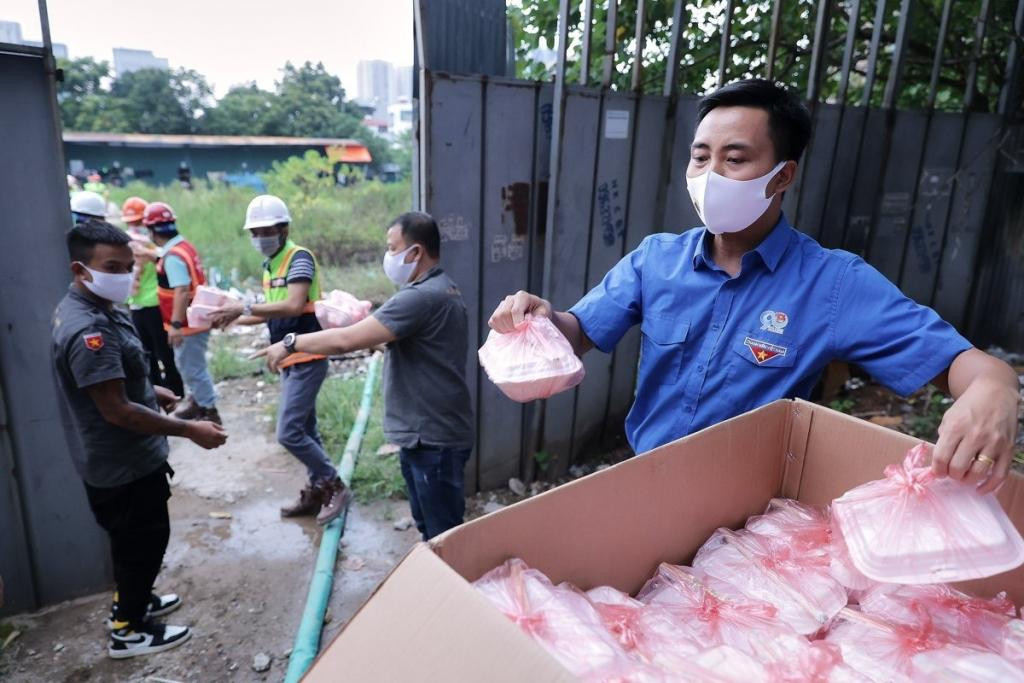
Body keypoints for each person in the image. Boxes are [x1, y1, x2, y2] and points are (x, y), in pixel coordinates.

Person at [489, 78, 1020, 494]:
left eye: (735, 159)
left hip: (749, 516)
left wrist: (995, 388)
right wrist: (538, 321)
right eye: (701, 157)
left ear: (783, 176)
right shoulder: (656, 260)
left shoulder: (832, 283)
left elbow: (960, 363)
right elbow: (577, 331)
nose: (710, 174)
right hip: (645, 482)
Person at [52, 220, 227, 659]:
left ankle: (136, 600)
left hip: (131, 459)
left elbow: (121, 385)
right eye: (113, 266)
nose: (126, 275)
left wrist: (153, 391)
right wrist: (191, 430)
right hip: (121, 465)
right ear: (81, 269)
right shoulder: (87, 330)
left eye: (129, 266)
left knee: (140, 543)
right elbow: (115, 409)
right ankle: (128, 630)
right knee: (141, 544)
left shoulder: (104, 309)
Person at [254, 212, 474, 540]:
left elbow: (345, 341)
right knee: (431, 528)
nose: (388, 256)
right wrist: (376, 337)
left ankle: (450, 587)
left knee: (443, 535)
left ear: (415, 252)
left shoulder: (419, 297)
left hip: (431, 437)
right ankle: (438, 579)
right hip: (429, 432)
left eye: (392, 248)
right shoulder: (442, 287)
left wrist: (290, 342)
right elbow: (420, 347)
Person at [208, 195, 352, 525]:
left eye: (265, 230)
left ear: (284, 228)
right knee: (305, 429)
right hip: (288, 356)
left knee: (288, 432)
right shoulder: (270, 265)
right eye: (254, 232)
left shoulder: (298, 258)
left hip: (307, 352)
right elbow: (272, 312)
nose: (260, 238)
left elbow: (292, 305)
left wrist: (242, 308)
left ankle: (334, 484)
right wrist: (227, 319)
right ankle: (318, 488)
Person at [143, 201, 221, 425]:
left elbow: (181, 290)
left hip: (187, 323)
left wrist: (176, 325)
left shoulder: (173, 257)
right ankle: (197, 402)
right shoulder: (182, 247)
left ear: (151, 230)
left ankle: (209, 411)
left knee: (192, 368)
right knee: (188, 365)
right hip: (195, 317)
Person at [122, 197, 184, 397]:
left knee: (165, 353)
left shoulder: (156, 247)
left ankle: (175, 392)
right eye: (131, 223)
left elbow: (165, 258)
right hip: (137, 304)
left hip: (154, 305)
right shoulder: (127, 244)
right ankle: (157, 393)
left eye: (138, 222)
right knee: (146, 354)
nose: (135, 227)